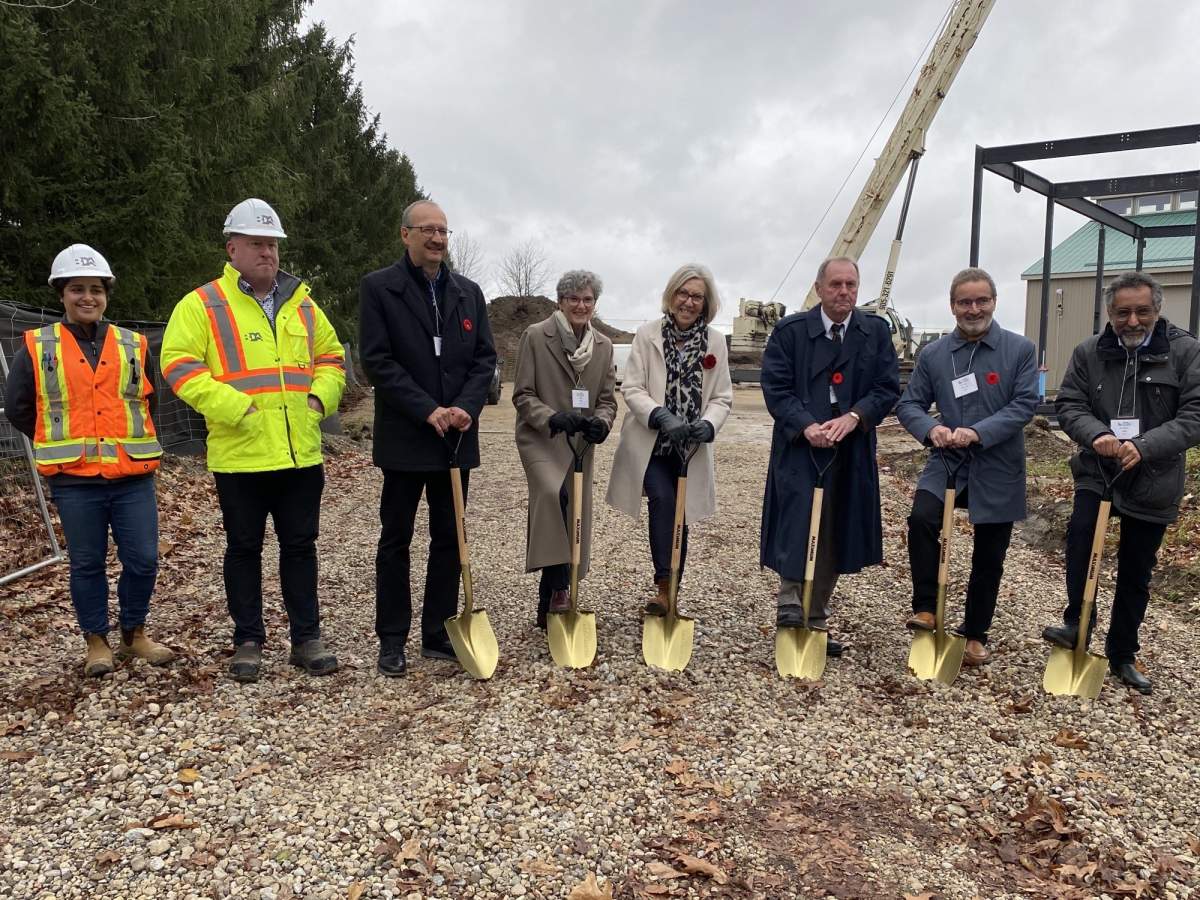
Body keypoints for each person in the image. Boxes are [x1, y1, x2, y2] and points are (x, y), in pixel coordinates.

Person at [161, 199, 346, 683]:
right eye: (258, 244)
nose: (268, 253)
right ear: (233, 248)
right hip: (240, 454)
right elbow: (179, 365)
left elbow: (331, 357)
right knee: (243, 550)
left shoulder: (302, 304)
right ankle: (248, 640)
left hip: (298, 452)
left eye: (273, 245)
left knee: (300, 548)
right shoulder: (202, 304)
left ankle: (306, 638)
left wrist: (316, 404)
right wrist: (235, 408)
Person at [4, 245, 172, 676]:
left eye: (95, 290)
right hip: (75, 479)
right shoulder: (39, 346)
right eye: (77, 289)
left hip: (132, 475)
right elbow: (21, 406)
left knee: (143, 559)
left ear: (106, 295)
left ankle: (134, 633)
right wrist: (60, 442)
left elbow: (147, 404)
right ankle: (96, 640)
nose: (87, 298)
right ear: (62, 294)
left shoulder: (132, 345)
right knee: (87, 562)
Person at [359, 200, 497, 677]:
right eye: (428, 230)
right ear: (405, 235)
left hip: (455, 438)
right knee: (396, 540)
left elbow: (484, 359)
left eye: (443, 230)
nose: (438, 239)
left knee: (449, 538)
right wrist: (426, 409)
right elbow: (378, 361)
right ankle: (392, 638)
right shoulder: (380, 288)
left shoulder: (468, 292)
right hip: (406, 437)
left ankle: (438, 631)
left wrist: (465, 407)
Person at [1045, 271, 1200, 694]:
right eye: (1122, 313)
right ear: (1110, 313)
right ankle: (1077, 624)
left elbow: (1194, 415)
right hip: (1100, 468)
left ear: (1157, 309)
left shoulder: (1186, 352)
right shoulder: (1089, 352)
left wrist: (1146, 445)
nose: (1132, 321)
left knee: (1136, 568)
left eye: (1142, 311)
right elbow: (1070, 403)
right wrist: (1097, 435)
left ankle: (1122, 654)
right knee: (1080, 541)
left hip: (1154, 475)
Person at [896, 267, 1038, 665]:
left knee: (989, 553)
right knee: (923, 519)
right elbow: (909, 404)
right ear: (952, 305)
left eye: (981, 301)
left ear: (994, 301)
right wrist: (930, 429)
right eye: (964, 302)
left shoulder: (1020, 350)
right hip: (948, 460)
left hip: (998, 462)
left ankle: (975, 632)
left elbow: (1024, 404)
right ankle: (926, 608)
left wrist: (978, 432)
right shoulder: (935, 355)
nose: (973, 309)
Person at [760, 256, 899, 655]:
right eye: (835, 284)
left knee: (837, 526)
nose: (844, 292)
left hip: (851, 444)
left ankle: (816, 617)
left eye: (851, 285)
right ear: (819, 288)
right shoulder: (790, 333)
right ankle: (790, 603)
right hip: (801, 443)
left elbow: (887, 388)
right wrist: (805, 424)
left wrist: (855, 417)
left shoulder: (874, 332)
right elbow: (776, 387)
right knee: (797, 517)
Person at [606, 264, 732, 614]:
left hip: (690, 447)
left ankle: (672, 588)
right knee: (663, 499)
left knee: (682, 510)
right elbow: (631, 386)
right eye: (683, 293)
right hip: (652, 445)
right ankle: (663, 588)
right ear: (671, 295)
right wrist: (659, 415)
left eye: (697, 297)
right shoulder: (647, 336)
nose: (689, 302)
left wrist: (709, 424)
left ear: (706, 304)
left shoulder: (716, 342)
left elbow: (722, 396)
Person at [512, 270, 617, 628]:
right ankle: (560, 587)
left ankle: (551, 597)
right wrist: (553, 418)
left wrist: (601, 422)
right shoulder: (537, 336)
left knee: (574, 511)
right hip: (542, 437)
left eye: (587, 299)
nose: (580, 305)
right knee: (551, 491)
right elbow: (522, 394)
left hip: (580, 443)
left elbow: (606, 400)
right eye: (573, 299)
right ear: (560, 301)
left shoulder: (602, 346)